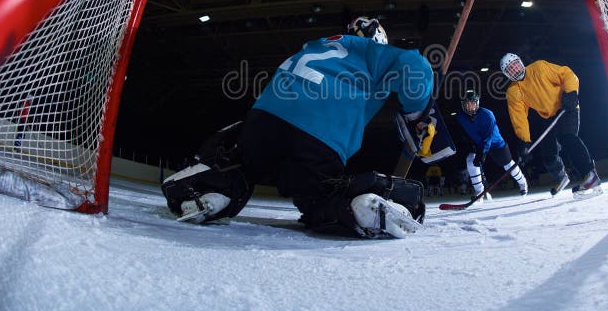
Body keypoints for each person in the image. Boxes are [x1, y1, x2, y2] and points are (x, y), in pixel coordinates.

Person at [162, 16, 434, 239]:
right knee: (319, 197)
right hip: (320, 130)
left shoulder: (316, 45)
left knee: (241, 166)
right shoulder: (373, 52)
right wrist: (417, 112)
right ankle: (355, 208)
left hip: (264, 120)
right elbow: (414, 66)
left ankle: (218, 188)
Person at [499, 53, 600, 196]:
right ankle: (561, 177)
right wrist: (524, 141)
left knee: (568, 138)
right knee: (548, 152)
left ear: (520, 62)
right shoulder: (513, 91)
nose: (515, 70)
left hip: (566, 107)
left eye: (515, 65)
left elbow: (567, 74)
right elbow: (519, 118)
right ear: (507, 74)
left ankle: (589, 174)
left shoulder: (539, 67)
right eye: (510, 69)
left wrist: (571, 93)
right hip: (549, 116)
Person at [455, 90, 528, 201]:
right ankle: (479, 191)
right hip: (479, 143)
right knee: (470, 160)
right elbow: (469, 132)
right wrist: (475, 147)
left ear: (477, 103)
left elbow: (488, 136)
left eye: (472, 103)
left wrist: (483, 151)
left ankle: (523, 182)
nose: (470, 107)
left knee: (508, 164)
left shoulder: (487, 114)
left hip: (495, 143)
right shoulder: (461, 117)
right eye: (467, 104)